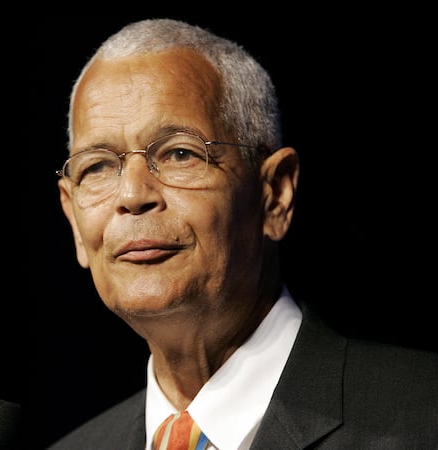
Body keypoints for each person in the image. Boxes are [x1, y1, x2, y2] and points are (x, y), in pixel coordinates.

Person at [46, 18, 438, 449]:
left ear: (274, 195)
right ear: (75, 222)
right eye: (98, 166)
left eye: (180, 153)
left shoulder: (424, 418)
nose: (132, 195)